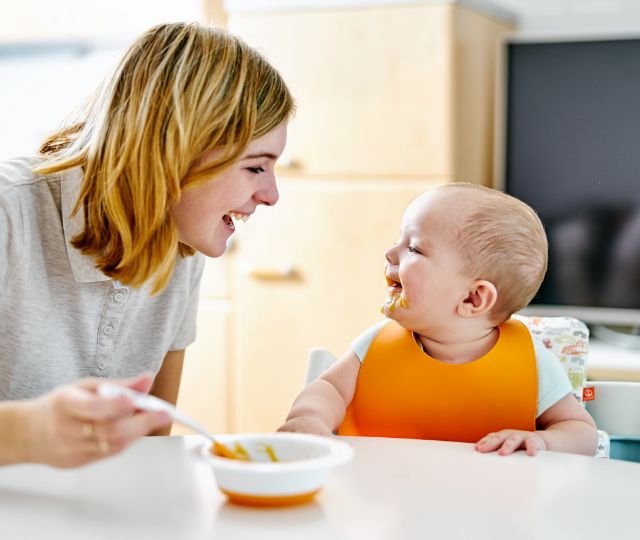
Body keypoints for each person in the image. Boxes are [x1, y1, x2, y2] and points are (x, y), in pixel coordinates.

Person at [0, 22, 294, 467]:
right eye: (255, 168)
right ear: (174, 149)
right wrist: (29, 433)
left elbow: (152, 444)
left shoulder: (181, 246)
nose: (271, 195)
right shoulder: (9, 214)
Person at [278, 183, 598, 456]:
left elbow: (581, 433)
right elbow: (329, 389)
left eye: (414, 249)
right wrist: (310, 418)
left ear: (473, 298)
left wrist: (541, 441)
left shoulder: (531, 364)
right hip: (386, 504)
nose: (390, 252)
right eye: (398, 240)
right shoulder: (375, 347)